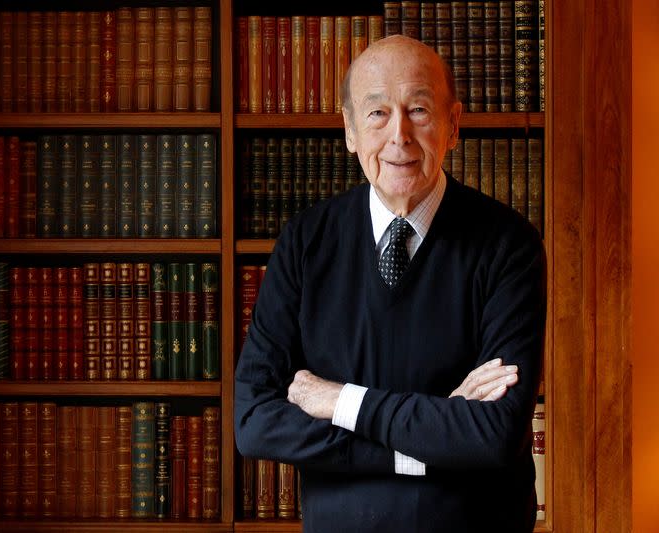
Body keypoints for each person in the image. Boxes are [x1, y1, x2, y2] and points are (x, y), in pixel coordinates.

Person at [234, 35, 546, 533]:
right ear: (351, 130)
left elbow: (494, 433)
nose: (399, 134)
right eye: (377, 113)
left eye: (419, 110)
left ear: (453, 126)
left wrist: (339, 402)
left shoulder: (509, 246)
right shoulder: (305, 243)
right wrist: (426, 443)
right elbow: (254, 423)